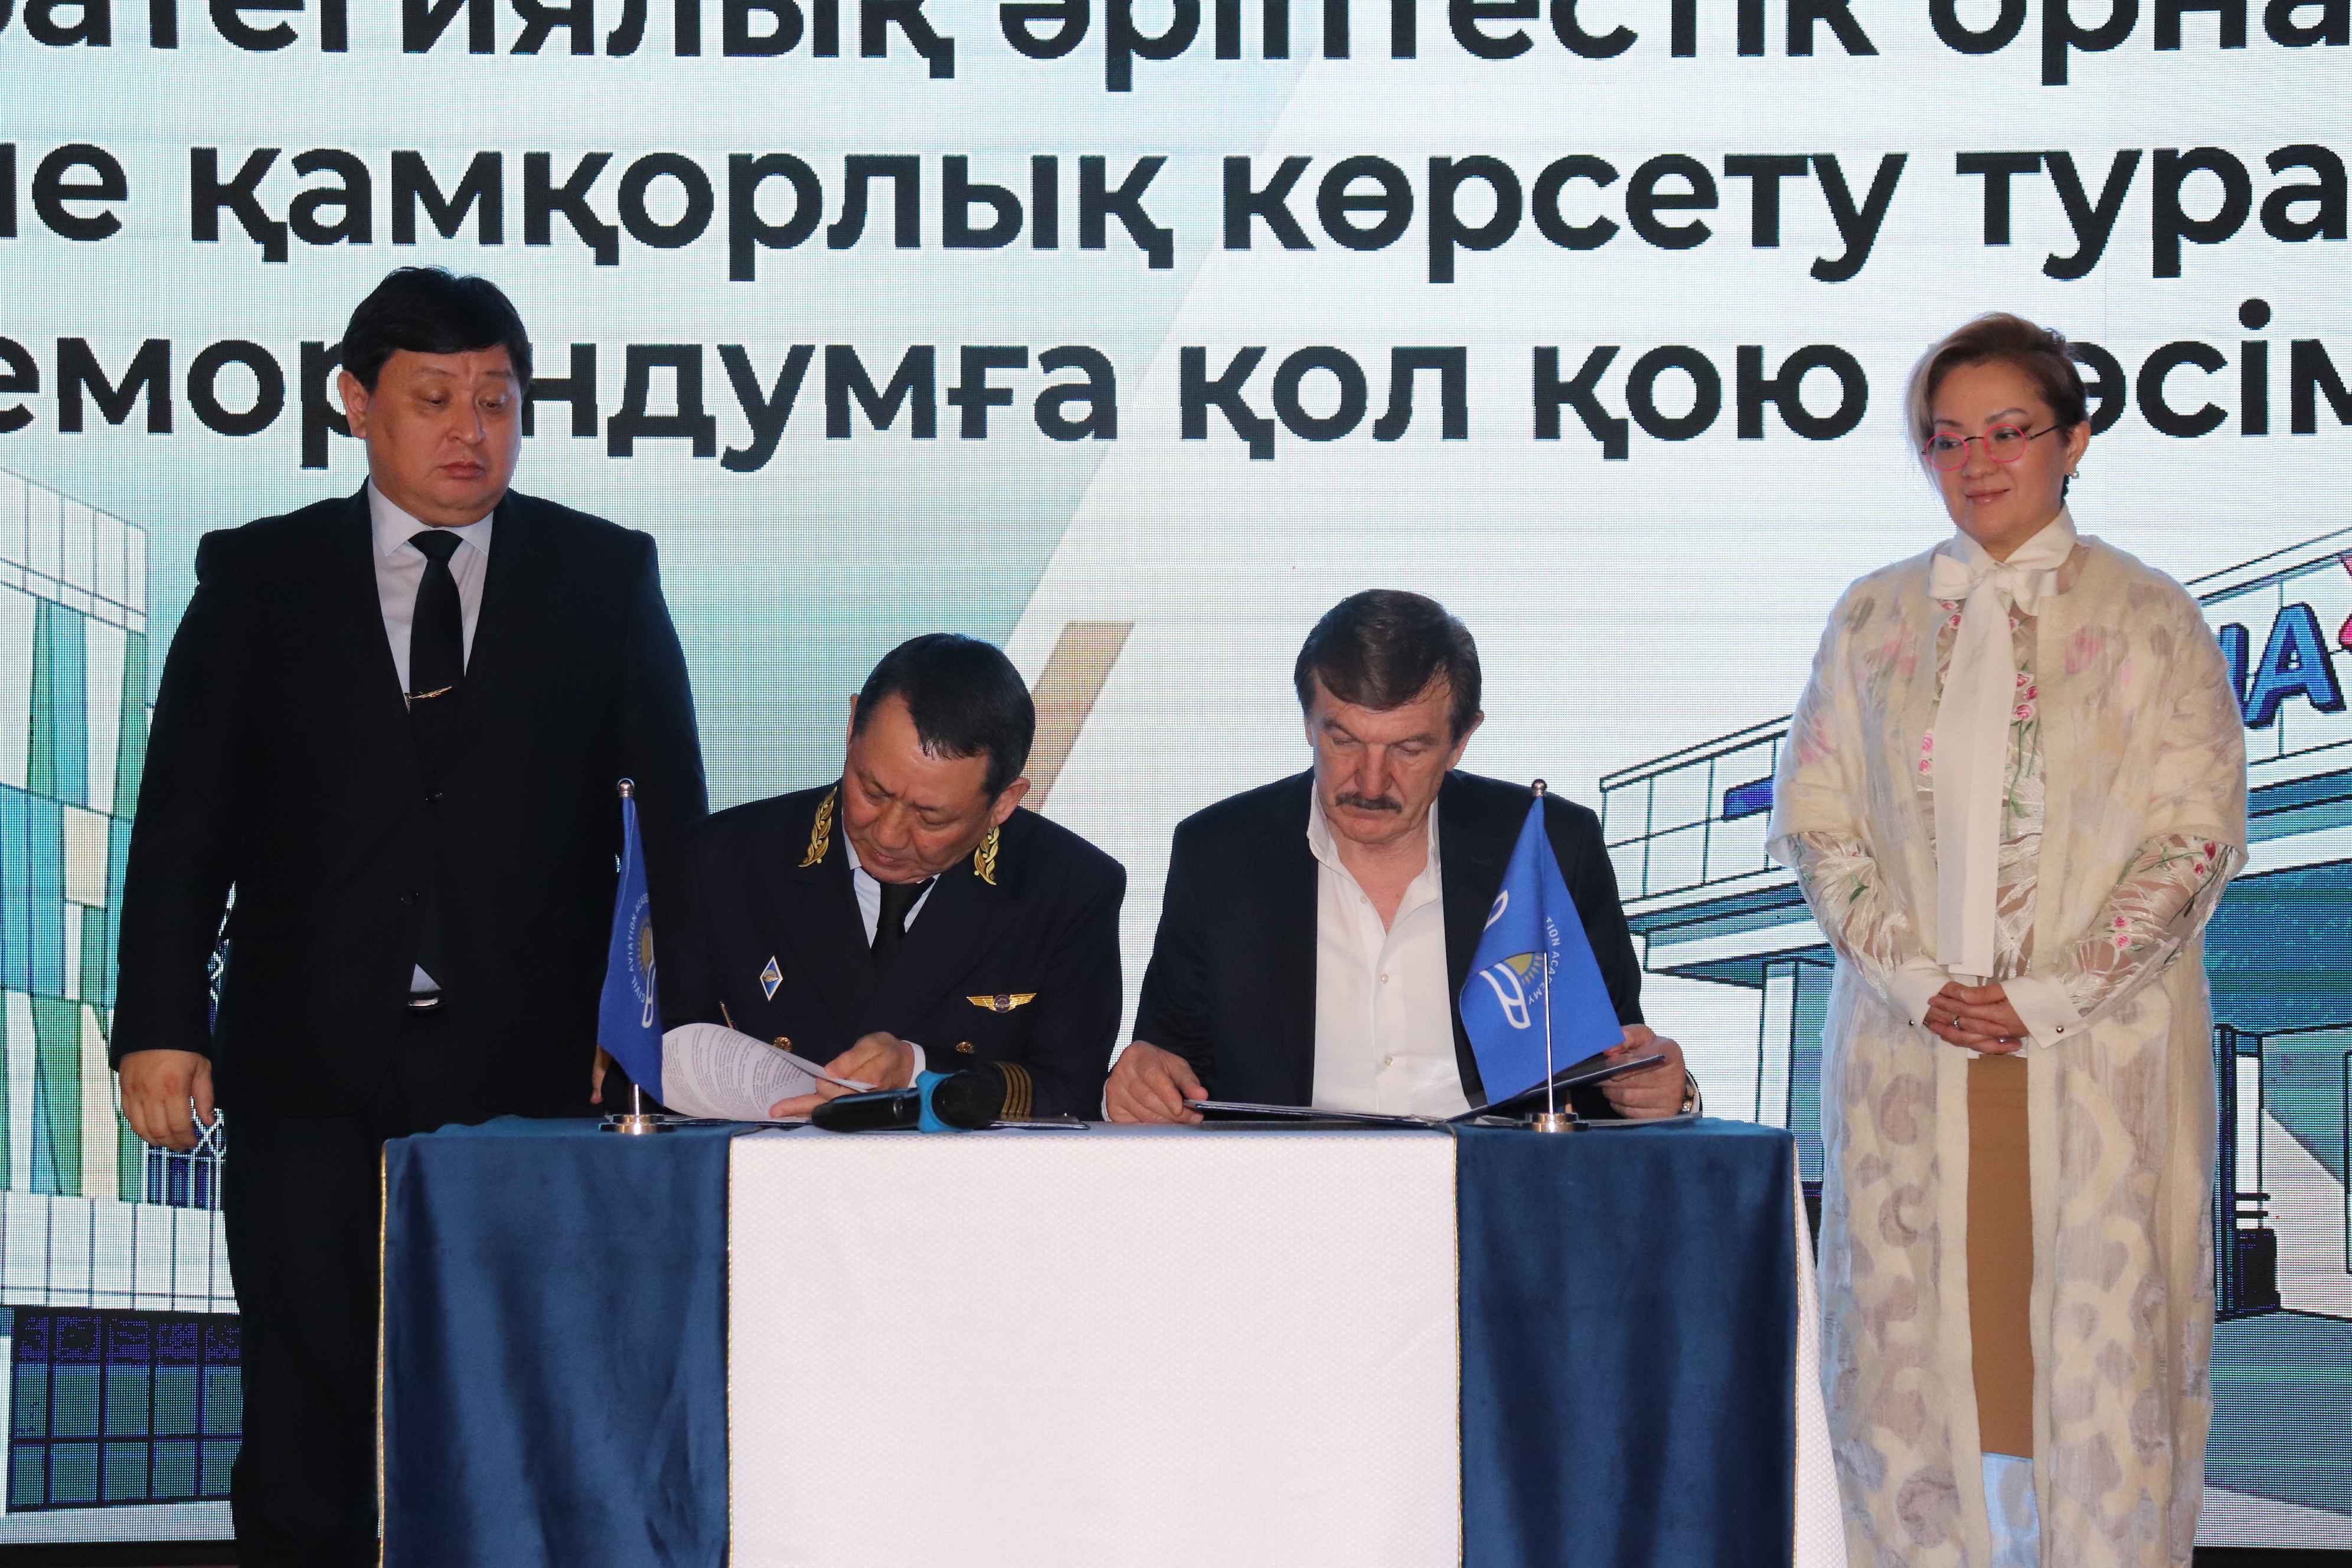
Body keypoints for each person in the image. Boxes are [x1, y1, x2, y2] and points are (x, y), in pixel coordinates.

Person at [111, 267, 707, 1564]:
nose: (469, 431)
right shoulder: (259, 577)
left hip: (530, 1070)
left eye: (496, 400)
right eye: (434, 398)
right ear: (354, 401)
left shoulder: (602, 574)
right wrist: (158, 1022)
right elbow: (183, 823)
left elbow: (671, 825)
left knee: (515, 1398)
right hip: (305, 1061)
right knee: (306, 1414)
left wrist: (658, 1035)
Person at [1767, 312, 2245, 1566]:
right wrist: (1916, 979)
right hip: (1913, 1064)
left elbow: (2194, 837)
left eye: (2008, 431)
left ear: (2072, 440)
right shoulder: (1871, 618)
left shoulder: (2150, 617)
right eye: (1947, 437)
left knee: (2090, 1388)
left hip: (2091, 1067)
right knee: (1921, 1384)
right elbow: (1816, 819)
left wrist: (2046, 995)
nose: (1976, 461)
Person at [1108, 589, 1693, 1125]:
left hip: (1496, 1190)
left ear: (1461, 741)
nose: (1370, 781)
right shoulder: (1219, 855)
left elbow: (1613, 1065)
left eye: (1409, 748)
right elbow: (1167, 1065)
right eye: (1344, 740)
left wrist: (1665, 1091)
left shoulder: (1548, 847)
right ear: (1308, 722)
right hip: (1283, 1193)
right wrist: (1139, 1086)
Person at [661, 633, 1125, 1121]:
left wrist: (916, 1069)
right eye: (873, 792)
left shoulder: (1069, 889)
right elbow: (655, 1066)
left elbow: (1071, 1092)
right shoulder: (721, 859)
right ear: (851, 726)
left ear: (1004, 803)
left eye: (931, 817)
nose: (888, 834)